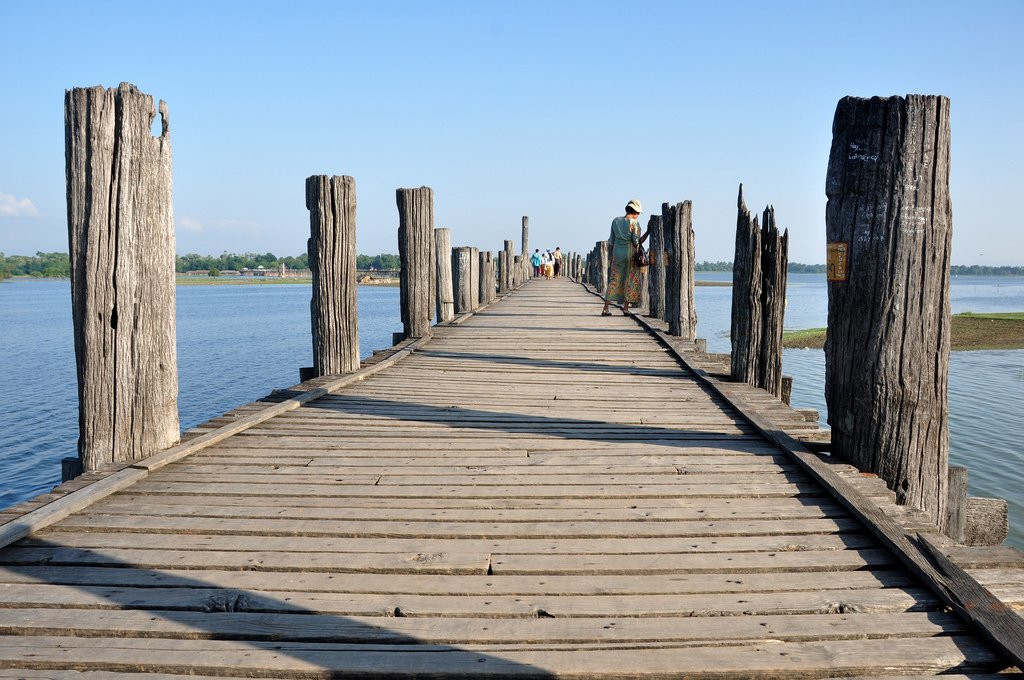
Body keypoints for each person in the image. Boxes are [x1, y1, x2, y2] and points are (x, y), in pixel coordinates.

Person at [601, 199, 648, 316]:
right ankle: (625, 308)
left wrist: (611, 256)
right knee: (630, 279)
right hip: (629, 254)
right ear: (635, 212)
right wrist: (648, 232)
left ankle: (605, 308)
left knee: (614, 279)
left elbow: (611, 240)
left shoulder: (615, 221)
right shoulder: (634, 223)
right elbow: (637, 242)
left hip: (617, 252)